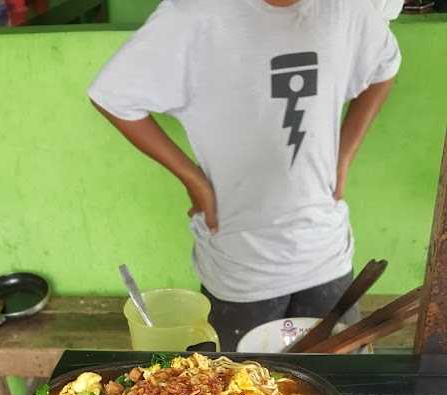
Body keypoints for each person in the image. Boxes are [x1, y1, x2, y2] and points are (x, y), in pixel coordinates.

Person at [89, 0, 401, 351]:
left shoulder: (345, 8)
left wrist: (343, 156)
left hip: (324, 249)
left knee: (338, 385)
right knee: (243, 392)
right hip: (240, 261)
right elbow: (113, 96)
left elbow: (383, 67)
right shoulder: (194, 16)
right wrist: (195, 182)